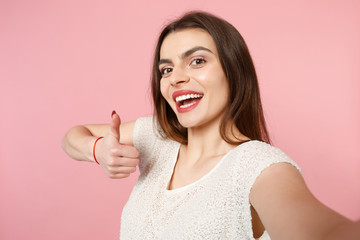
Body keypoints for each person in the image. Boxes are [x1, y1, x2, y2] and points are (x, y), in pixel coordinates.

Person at [62, 11, 360, 240]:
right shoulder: (157, 137)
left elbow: (323, 232)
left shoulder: (259, 166)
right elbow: (73, 137)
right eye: (166, 69)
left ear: (233, 71)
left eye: (197, 61)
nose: (175, 77)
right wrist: (97, 149)